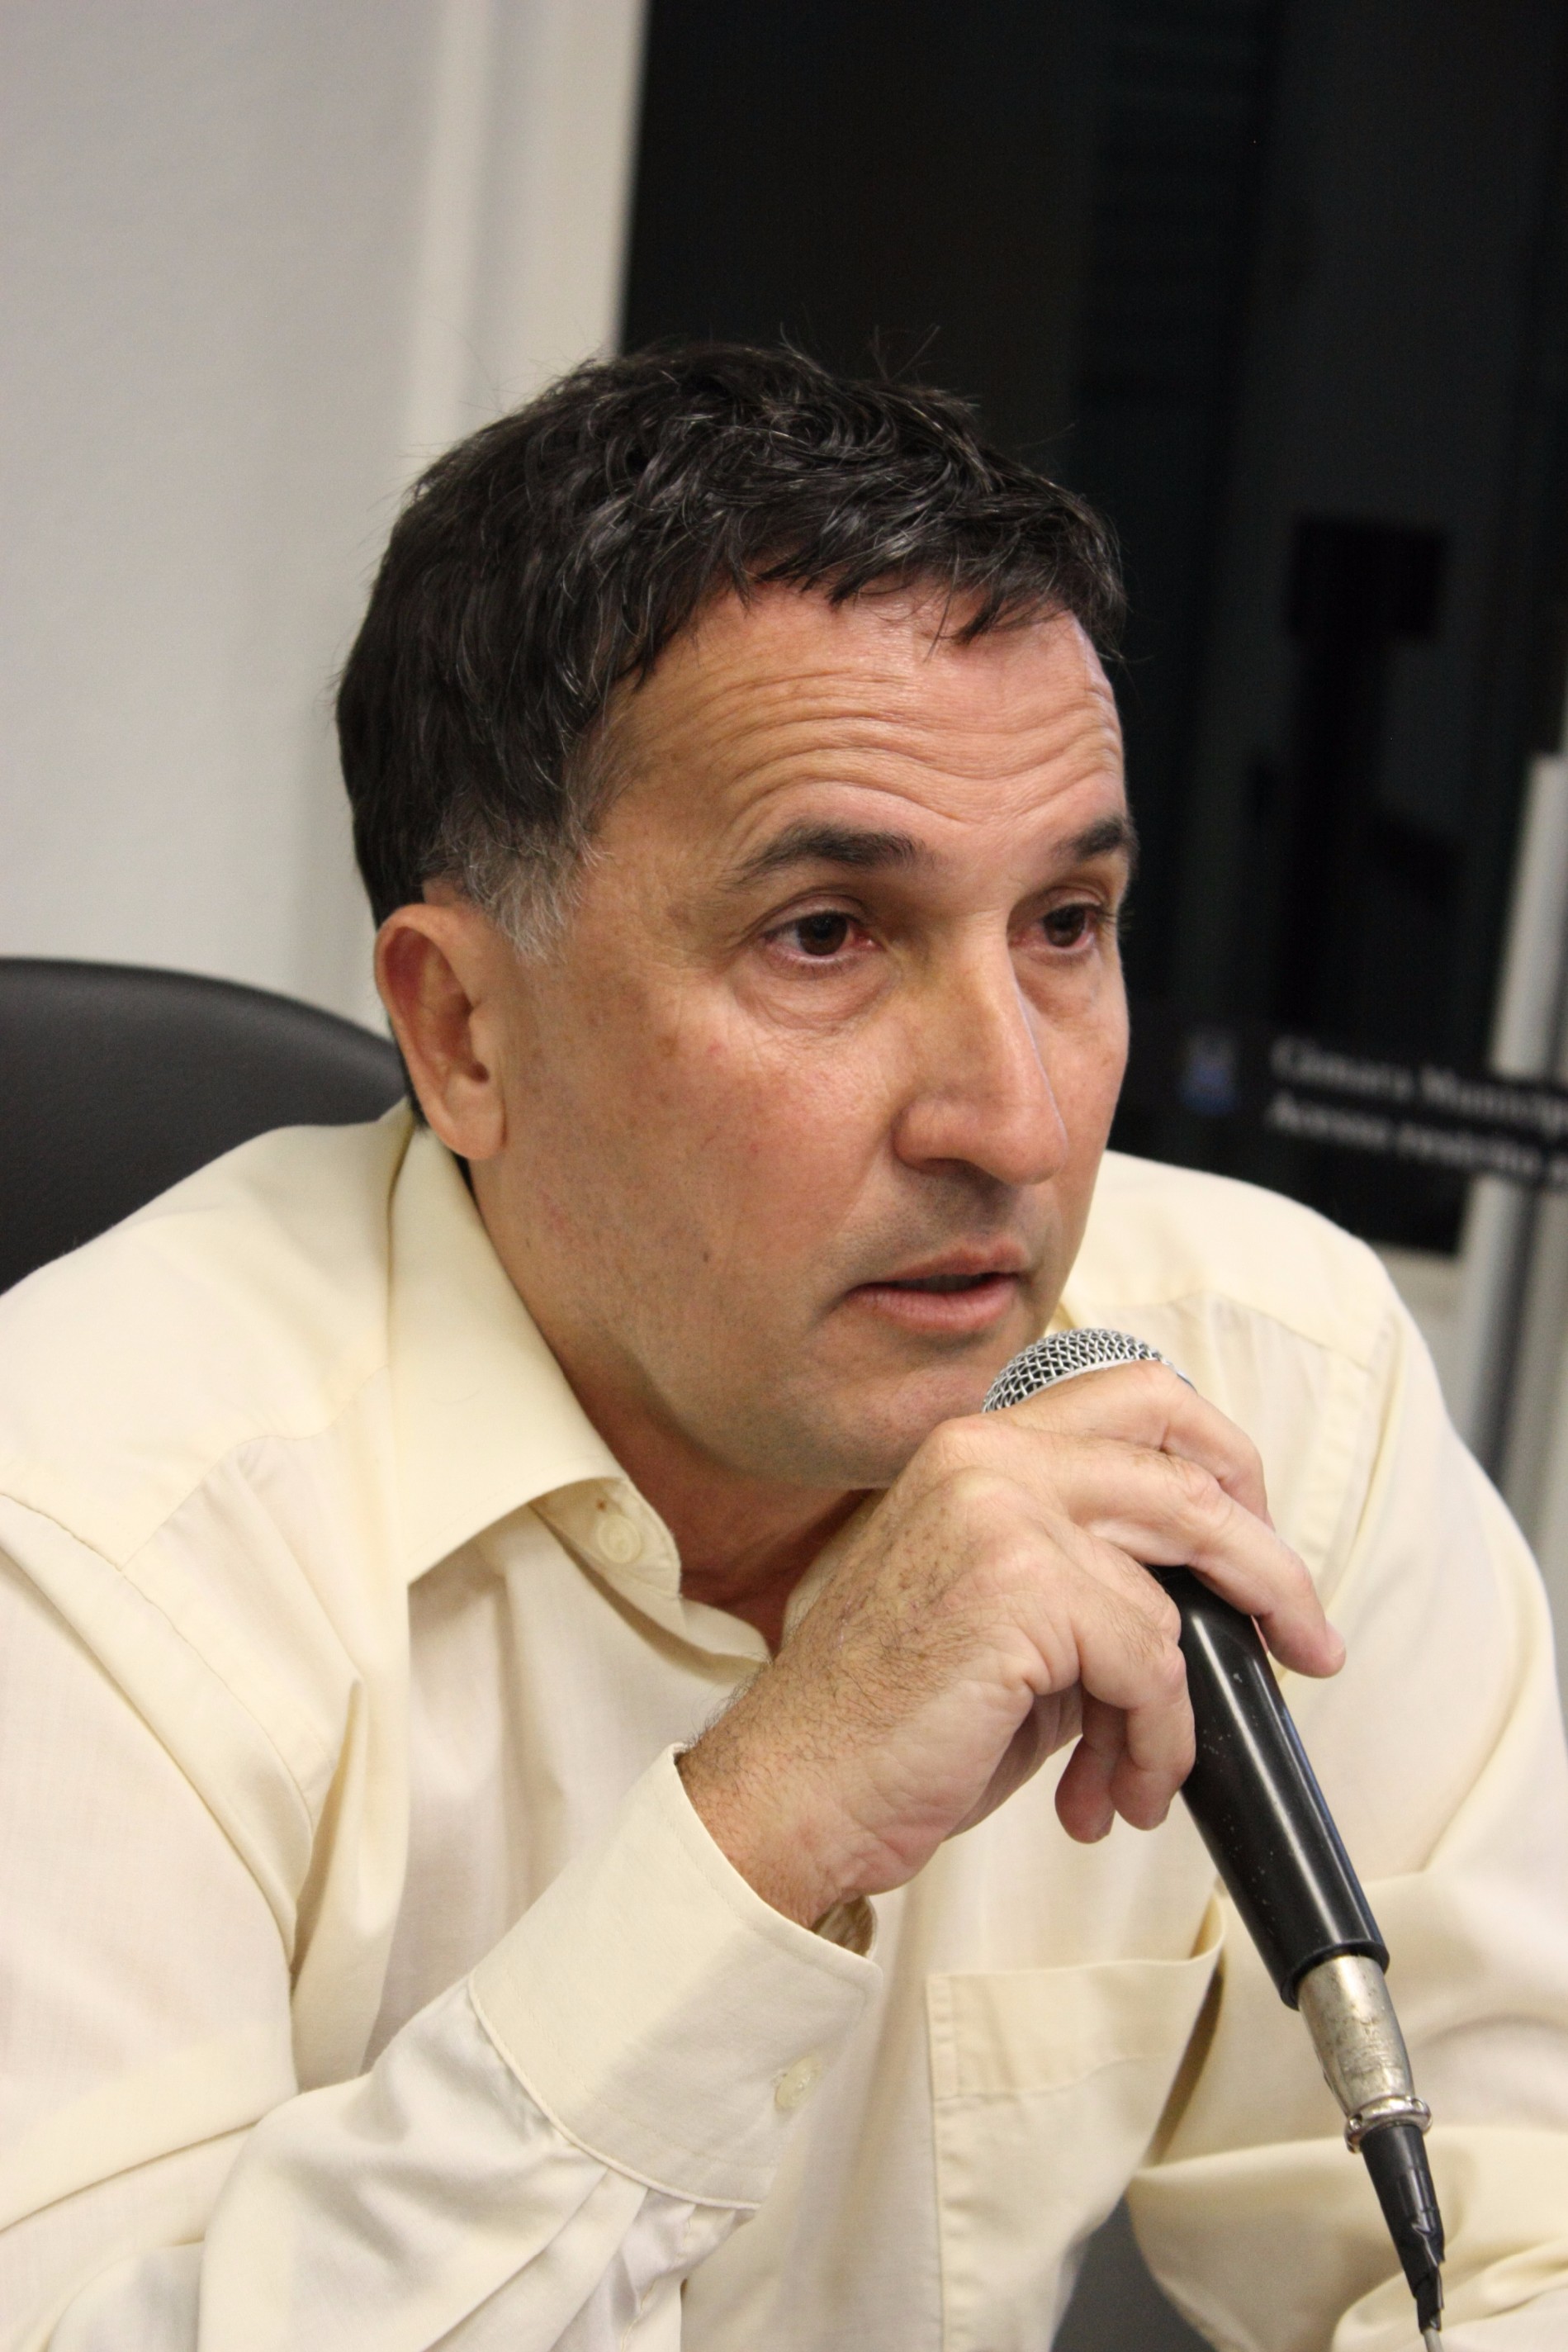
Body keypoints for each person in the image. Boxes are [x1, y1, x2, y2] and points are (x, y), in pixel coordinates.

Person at [2, 346, 1566, 2352]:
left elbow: (1516, 2238)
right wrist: (762, 1830)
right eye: (823, 933)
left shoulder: (1271, 1376)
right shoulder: (94, 1525)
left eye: (1065, 922)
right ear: (464, 1030)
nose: (1014, 1120)